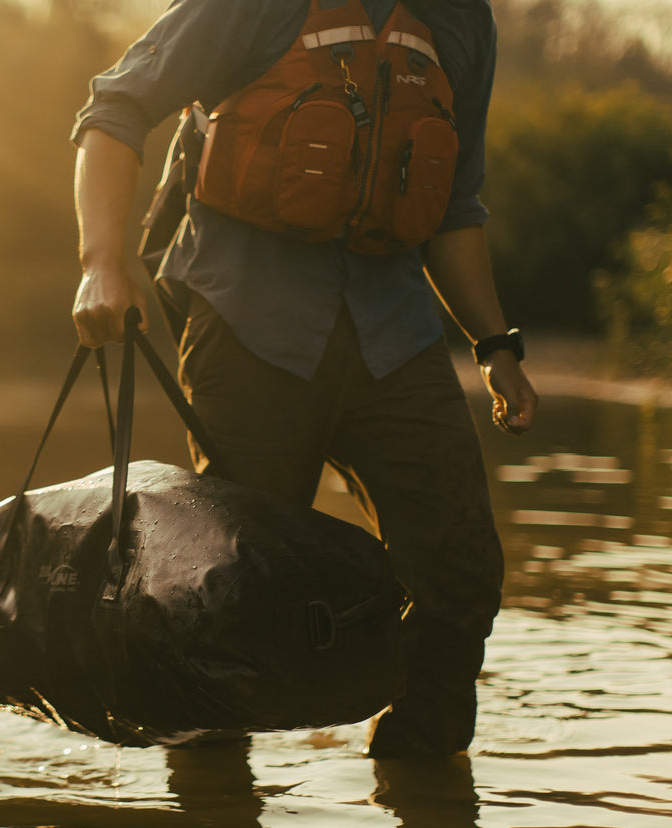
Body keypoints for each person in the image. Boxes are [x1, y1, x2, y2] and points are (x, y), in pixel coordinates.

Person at [69, 0, 538, 757]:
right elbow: (114, 109)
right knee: (227, 598)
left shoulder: (461, 22)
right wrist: (100, 264)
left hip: (397, 339)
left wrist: (494, 344)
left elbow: (454, 205)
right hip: (249, 326)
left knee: (459, 573)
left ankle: (428, 820)